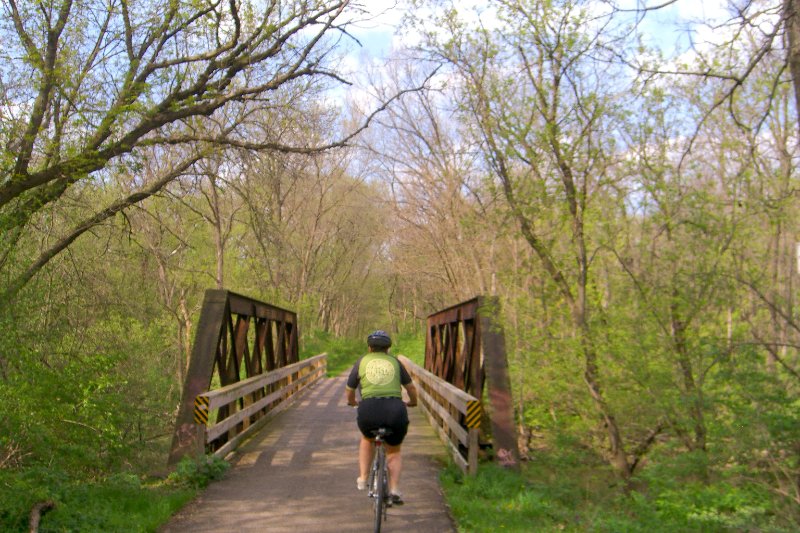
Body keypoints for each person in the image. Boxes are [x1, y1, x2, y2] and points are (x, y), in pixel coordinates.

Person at [345, 330, 418, 505]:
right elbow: (411, 389)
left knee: (367, 438)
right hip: (395, 410)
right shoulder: (395, 362)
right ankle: (394, 490)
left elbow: (349, 390)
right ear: (388, 349)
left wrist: (353, 402)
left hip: (369, 409)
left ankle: (363, 478)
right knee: (394, 450)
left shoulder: (361, 361)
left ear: (369, 348)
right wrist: (413, 402)